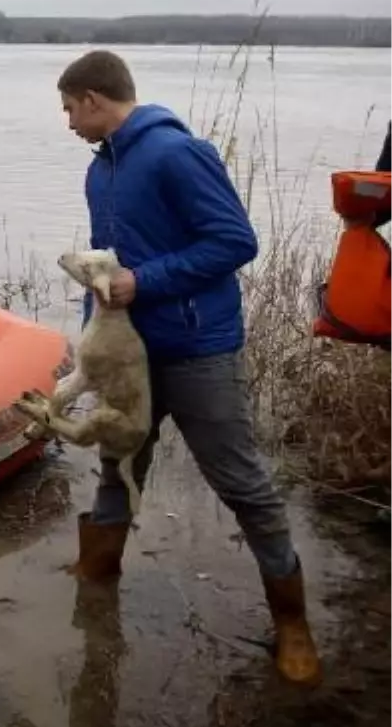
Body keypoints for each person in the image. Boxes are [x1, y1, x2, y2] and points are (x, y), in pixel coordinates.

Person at [55, 49, 322, 687]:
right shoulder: (100, 172)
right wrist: (91, 320)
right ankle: (96, 580)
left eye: (69, 110)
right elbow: (107, 265)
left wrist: (142, 282)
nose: (67, 124)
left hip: (199, 350)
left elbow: (235, 242)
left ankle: (292, 624)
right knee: (117, 468)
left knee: (242, 484)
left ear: (95, 99)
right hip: (129, 355)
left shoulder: (178, 153)